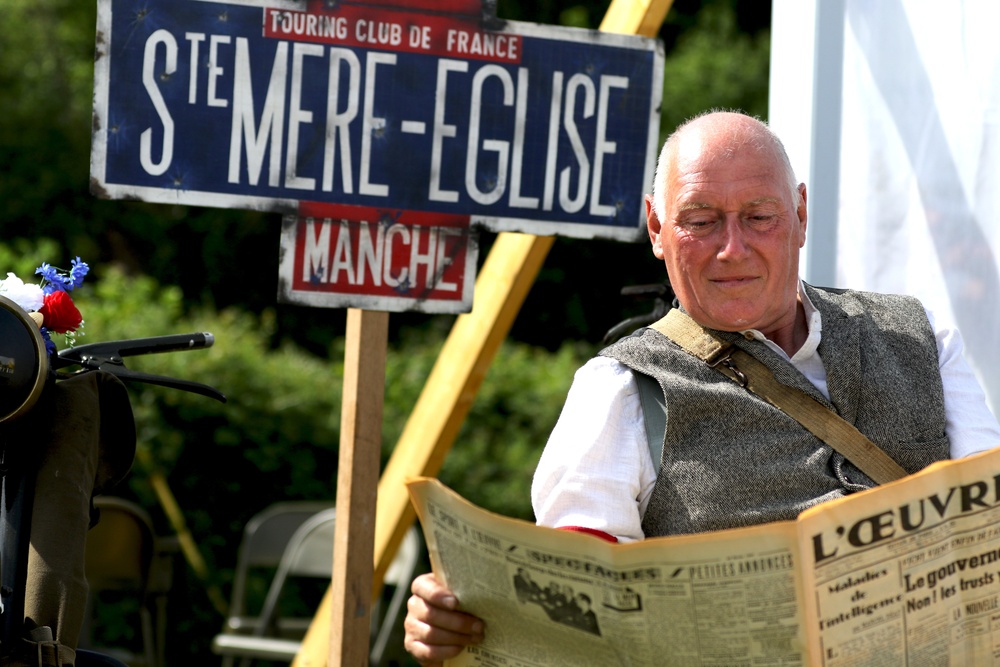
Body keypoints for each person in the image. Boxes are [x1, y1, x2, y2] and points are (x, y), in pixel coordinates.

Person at [402, 110, 1000, 664]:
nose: (731, 249)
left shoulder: (922, 338)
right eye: (700, 220)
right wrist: (463, 618)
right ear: (658, 228)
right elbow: (574, 609)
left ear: (801, 215)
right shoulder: (620, 388)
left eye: (759, 216)